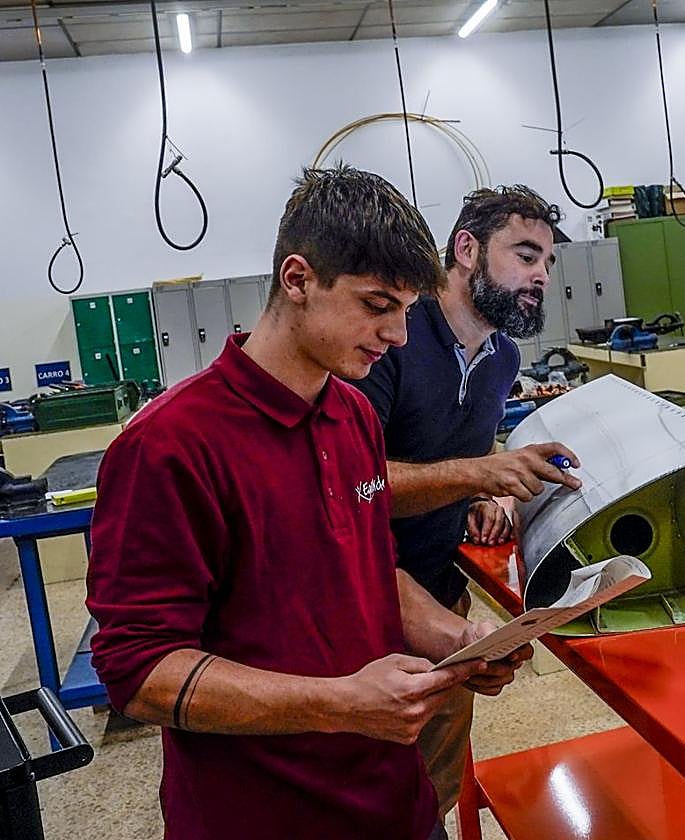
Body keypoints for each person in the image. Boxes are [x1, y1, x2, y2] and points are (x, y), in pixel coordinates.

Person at [86, 165, 530, 840]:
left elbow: (371, 576)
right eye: (378, 305)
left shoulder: (351, 417)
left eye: (408, 311)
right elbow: (139, 670)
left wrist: (461, 640)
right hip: (261, 813)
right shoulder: (170, 445)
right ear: (298, 280)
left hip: (391, 799)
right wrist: (342, 704)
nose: (399, 336)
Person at [348, 184, 581, 824]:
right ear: (467, 249)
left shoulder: (502, 357)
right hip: (361, 605)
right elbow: (348, 485)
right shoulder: (392, 340)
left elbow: (457, 463)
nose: (540, 275)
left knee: (434, 790)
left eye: (548, 263)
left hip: (441, 591)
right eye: (526, 255)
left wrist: (484, 495)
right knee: (367, 795)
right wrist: (483, 471)